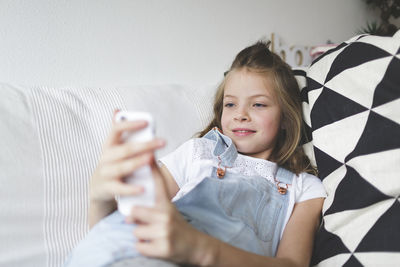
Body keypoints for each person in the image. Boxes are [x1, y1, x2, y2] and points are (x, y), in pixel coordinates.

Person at [65, 41, 326, 267]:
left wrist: (200, 249)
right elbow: (129, 228)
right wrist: (99, 200)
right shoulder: (198, 152)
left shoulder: (304, 188)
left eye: (258, 104)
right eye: (230, 103)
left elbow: (291, 264)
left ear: (285, 118)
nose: (240, 114)